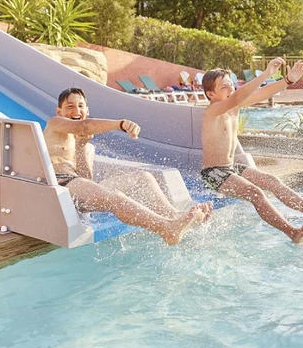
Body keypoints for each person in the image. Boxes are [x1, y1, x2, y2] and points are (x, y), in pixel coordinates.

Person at [43, 87, 211, 245]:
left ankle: (175, 216)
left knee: (143, 178)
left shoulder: (88, 147)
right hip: (58, 184)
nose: (76, 111)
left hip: (76, 189)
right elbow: (83, 126)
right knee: (115, 196)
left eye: (81, 106)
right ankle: (166, 228)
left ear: (87, 111)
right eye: (70, 106)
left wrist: (81, 147)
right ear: (59, 111)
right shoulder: (55, 124)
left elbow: (86, 181)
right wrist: (120, 124)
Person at [200, 58, 303, 243]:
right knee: (255, 192)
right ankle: (292, 232)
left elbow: (261, 93)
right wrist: (266, 74)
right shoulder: (212, 111)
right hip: (213, 173)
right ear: (210, 94)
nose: (231, 89)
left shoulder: (234, 106)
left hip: (230, 168)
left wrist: (288, 80)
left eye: (231, 85)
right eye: (224, 87)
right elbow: (238, 96)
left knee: (272, 181)